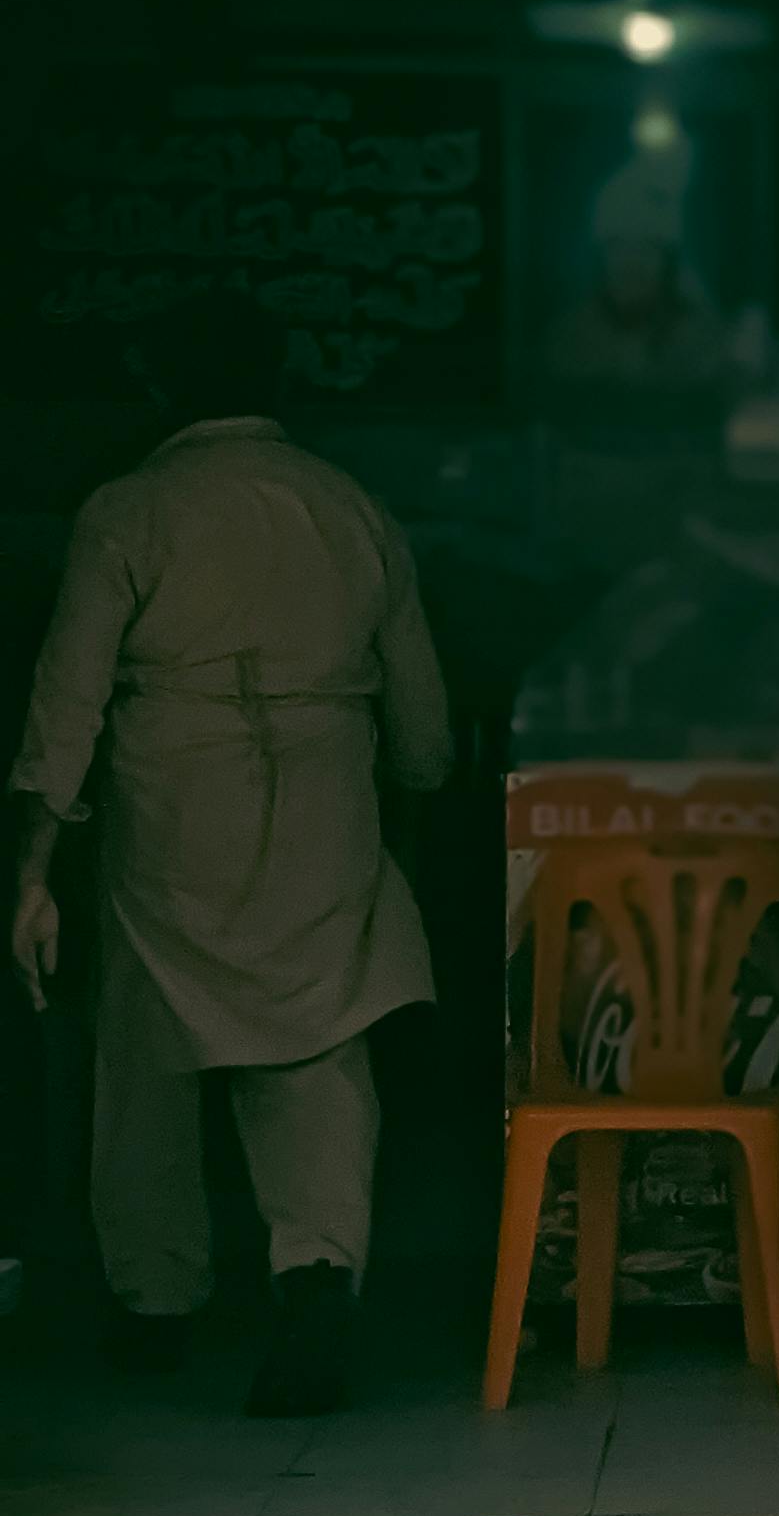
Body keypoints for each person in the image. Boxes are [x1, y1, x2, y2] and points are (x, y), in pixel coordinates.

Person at [8, 304, 452, 1410]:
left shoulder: (129, 511)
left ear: (162, 388)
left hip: (174, 809)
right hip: (324, 801)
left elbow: (67, 706)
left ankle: (155, 1298)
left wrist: (30, 866)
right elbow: (426, 729)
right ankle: (315, 1273)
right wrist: (411, 787)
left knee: (147, 1051)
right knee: (318, 1043)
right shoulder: (351, 508)